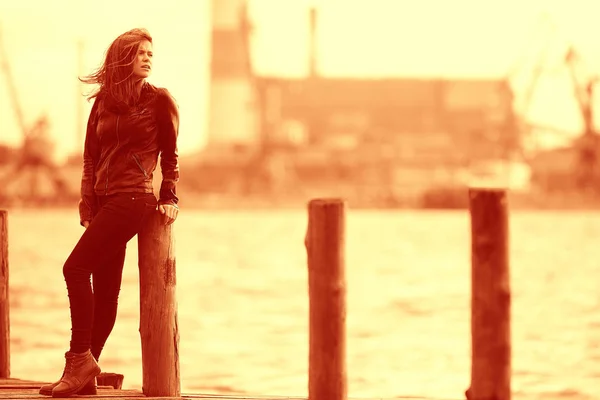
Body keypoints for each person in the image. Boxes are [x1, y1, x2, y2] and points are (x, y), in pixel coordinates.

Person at [39, 28, 180, 398]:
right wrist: (87, 202)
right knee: (105, 289)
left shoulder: (158, 101)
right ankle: (85, 373)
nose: (148, 58)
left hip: (133, 199)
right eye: (140, 53)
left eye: (151, 53)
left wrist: (170, 196)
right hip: (103, 201)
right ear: (123, 58)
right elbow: (90, 157)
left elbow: (170, 154)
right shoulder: (103, 102)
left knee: (74, 268)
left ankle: (78, 359)